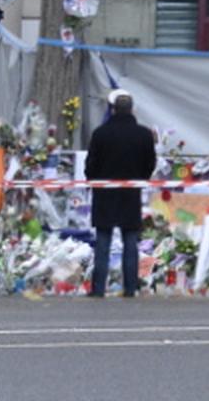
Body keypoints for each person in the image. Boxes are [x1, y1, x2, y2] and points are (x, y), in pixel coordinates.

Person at [85, 89, 157, 299]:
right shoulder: (144, 134)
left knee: (103, 241)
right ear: (132, 109)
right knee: (130, 242)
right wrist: (139, 178)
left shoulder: (101, 133)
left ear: (113, 109)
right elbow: (149, 164)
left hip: (105, 193)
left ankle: (98, 288)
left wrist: (95, 181)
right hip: (131, 192)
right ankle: (130, 287)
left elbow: (91, 165)